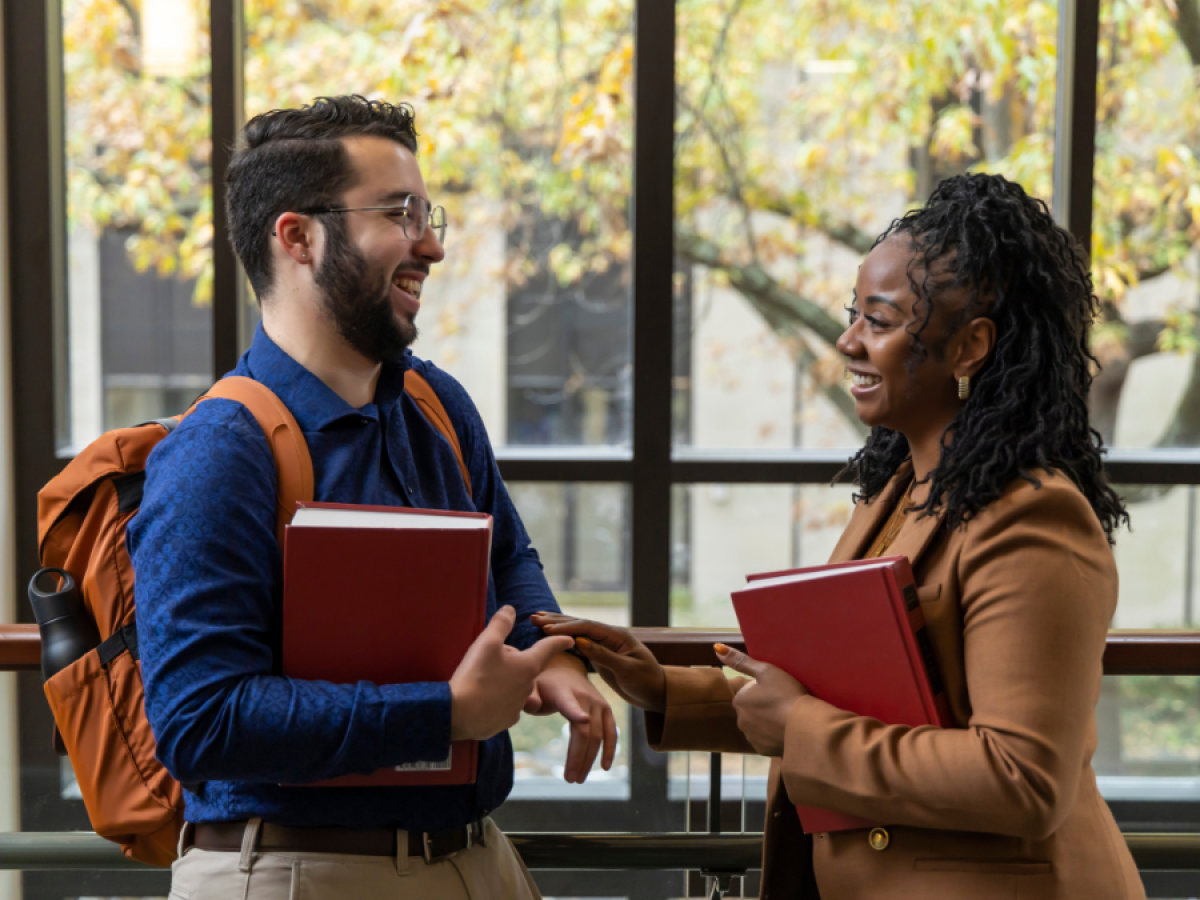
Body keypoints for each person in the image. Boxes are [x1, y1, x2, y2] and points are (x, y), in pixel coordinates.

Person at [535, 173, 1147, 899]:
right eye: (853, 314)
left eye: (879, 322)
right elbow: (853, 702)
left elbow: (1022, 779)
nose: (847, 341)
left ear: (970, 347)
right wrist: (663, 687)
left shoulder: (1032, 517)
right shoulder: (898, 493)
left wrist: (799, 729)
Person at [130, 95, 616, 900]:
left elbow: (508, 554)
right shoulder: (217, 452)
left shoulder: (438, 404)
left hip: (474, 858)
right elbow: (200, 722)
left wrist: (549, 646)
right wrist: (446, 712)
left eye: (430, 215)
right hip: (293, 873)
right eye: (399, 213)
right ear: (299, 237)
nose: (430, 244)